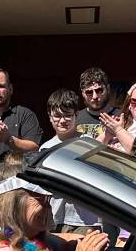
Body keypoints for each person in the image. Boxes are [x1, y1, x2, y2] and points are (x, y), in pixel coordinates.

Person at [40, 89, 100, 232]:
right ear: (49, 116)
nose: (62, 120)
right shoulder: (45, 149)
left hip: (85, 220)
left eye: (67, 115)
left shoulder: (89, 143)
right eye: (57, 116)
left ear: (76, 115)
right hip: (55, 218)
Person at [74, 67, 120, 138]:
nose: (94, 96)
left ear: (108, 89)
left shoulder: (121, 116)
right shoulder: (75, 119)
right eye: (89, 92)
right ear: (83, 93)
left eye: (99, 90)